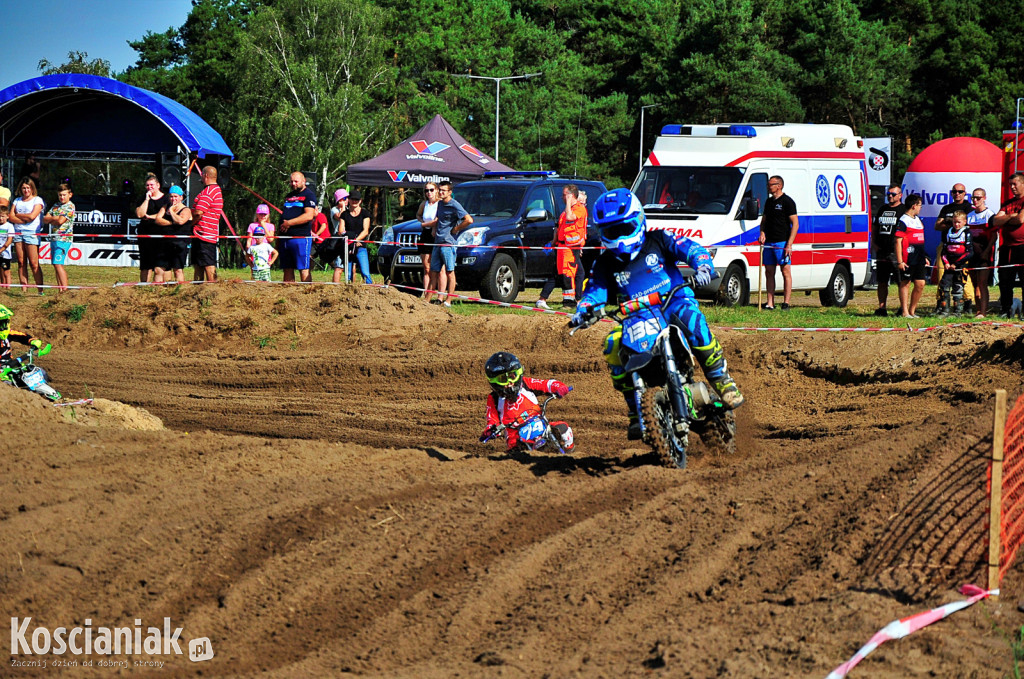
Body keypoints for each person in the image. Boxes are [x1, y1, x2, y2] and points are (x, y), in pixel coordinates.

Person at [569, 189, 743, 441]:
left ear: (638, 221)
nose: (618, 238)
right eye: (611, 232)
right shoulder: (604, 263)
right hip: (636, 316)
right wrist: (585, 310)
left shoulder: (659, 240)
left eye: (623, 228)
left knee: (693, 322)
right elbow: (595, 290)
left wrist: (703, 264)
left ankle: (721, 379)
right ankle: (635, 409)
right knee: (612, 345)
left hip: (674, 301)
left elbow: (689, 248)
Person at [479, 352, 574, 454]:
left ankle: (569, 454)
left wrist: (560, 387)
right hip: (516, 439)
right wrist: (491, 430)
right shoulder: (494, 398)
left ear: (518, 373)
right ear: (494, 382)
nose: (510, 382)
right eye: (503, 379)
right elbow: (491, 419)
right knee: (513, 458)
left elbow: (547, 384)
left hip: (542, 429)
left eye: (512, 376)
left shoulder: (525, 384)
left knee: (564, 430)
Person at [538, 184, 588, 309]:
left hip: (571, 248)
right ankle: (571, 301)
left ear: (571, 196)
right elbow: (559, 229)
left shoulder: (579, 209)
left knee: (568, 274)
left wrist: (569, 203)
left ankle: (569, 303)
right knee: (563, 273)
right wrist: (553, 243)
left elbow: (571, 218)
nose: (562, 197)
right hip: (561, 247)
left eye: (565, 195)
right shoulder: (564, 213)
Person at [757, 175, 799, 310]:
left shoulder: (787, 202)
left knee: (785, 271)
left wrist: (789, 244)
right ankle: (770, 302)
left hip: (782, 242)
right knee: (769, 272)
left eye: (771, 184)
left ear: (779, 185)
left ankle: (786, 303)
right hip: (769, 242)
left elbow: (795, 224)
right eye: (768, 185)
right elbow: (763, 221)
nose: (769, 187)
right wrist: (762, 233)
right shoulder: (769, 202)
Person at [933, 183, 976, 312]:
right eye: (954, 191)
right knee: (942, 274)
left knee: (963, 276)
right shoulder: (946, 208)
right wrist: (952, 224)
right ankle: (942, 304)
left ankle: (967, 303)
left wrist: (950, 223)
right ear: (951, 193)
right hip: (946, 246)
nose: (957, 194)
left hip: (962, 248)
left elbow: (969, 226)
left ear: (965, 193)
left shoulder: (969, 208)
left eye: (960, 191)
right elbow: (937, 226)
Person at [431, 181, 473, 307]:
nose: (441, 192)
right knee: (434, 271)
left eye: (444, 190)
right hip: (438, 242)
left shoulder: (454, 205)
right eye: (440, 189)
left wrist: (456, 229)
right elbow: (439, 219)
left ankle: (449, 300)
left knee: (450, 271)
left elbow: (469, 220)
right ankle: (430, 300)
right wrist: (434, 229)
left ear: (450, 192)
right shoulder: (439, 204)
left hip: (448, 243)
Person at [992, 172, 1024, 317]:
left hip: (1022, 247)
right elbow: (995, 221)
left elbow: (1020, 220)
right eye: (1010, 184)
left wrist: (1007, 218)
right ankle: (1006, 309)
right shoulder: (1007, 203)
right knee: (1005, 281)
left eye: (1014, 184)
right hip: (1007, 248)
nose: (1012, 187)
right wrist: (1011, 216)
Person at [7, 178, 45, 293]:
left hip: (31, 233)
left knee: (34, 263)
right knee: (21, 262)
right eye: (24, 188)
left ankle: (40, 290)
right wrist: (23, 219)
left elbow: (32, 216)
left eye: (28, 187)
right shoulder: (17, 200)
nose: (26, 190)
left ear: (32, 189)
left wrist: (19, 215)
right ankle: (24, 289)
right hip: (18, 233)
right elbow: (11, 216)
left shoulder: (37, 200)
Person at [872, 185, 905, 316]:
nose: (890, 196)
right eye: (888, 194)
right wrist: (874, 243)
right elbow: (875, 227)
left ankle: (903, 308)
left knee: (900, 281)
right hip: (882, 250)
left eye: (893, 194)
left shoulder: (903, 210)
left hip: (896, 251)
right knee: (882, 281)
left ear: (900, 195)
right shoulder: (882, 209)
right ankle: (882, 308)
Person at [279, 171, 317, 282]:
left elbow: (309, 215)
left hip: (300, 238)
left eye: (296, 181)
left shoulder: (308, 195)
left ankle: (306, 294)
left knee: (303, 268)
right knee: (287, 268)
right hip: (285, 238)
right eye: (291, 181)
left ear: (303, 181)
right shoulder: (288, 196)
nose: (293, 184)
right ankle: (288, 294)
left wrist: (289, 223)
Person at [895, 194, 927, 318]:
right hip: (907, 258)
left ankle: (912, 311)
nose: (920, 208)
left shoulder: (917, 219)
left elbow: (920, 240)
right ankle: (904, 311)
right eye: (919, 205)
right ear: (914, 206)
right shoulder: (903, 220)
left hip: (919, 258)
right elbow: (898, 241)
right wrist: (900, 261)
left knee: (920, 283)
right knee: (906, 283)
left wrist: (924, 256)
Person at [967, 187, 996, 317]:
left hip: (984, 254)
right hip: (973, 254)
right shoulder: (969, 216)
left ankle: (983, 312)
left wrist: (987, 251)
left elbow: (994, 236)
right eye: (973, 197)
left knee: (982, 283)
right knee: (975, 284)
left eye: (978, 197)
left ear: (984, 198)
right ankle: (978, 310)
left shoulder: (989, 214)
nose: (975, 200)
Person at [135, 173, 168, 283]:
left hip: (160, 234)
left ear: (158, 185)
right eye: (147, 185)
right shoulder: (143, 198)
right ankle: (144, 287)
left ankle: (158, 287)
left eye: (152, 185)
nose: (150, 187)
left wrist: (150, 217)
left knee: (159, 266)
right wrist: (147, 200)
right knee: (145, 265)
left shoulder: (166, 198)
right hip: (145, 234)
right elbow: (140, 214)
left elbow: (164, 214)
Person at [937, 211, 972, 316]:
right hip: (949, 264)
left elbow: (970, 252)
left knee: (958, 287)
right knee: (944, 286)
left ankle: (958, 311)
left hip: (960, 265)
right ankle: (945, 310)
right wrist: (946, 263)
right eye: (954, 222)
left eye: (959, 222)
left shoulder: (967, 233)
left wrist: (957, 264)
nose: (956, 225)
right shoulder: (948, 232)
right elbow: (944, 251)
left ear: (965, 222)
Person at [154, 185, 191, 284]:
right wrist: (170, 223)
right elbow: (158, 219)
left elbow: (180, 221)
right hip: (165, 243)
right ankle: (156, 292)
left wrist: (171, 211)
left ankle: (180, 291)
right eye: (171, 196)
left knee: (177, 270)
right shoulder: (165, 206)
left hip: (179, 243)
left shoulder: (186, 210)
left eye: (175, 196)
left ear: (181, 197)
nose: (173, 199)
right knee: (159, 269)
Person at [41, 183, 75, 291]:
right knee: (56, 265)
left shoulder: (70, 206)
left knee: (58, 263)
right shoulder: (56, 205)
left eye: (64, 195)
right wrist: (54, 219)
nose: (62, 197)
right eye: (60, 195)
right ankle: (60, 290)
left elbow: (61, 221)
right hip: (54, 238)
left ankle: (65, 290)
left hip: (64, 239)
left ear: (70, 194)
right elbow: (45, 219)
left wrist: (53, 218)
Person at [191, 166, 223, 282]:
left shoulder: (209, 191)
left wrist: (190, 224)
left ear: (205, 176)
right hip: (201, 233)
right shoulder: (214, 190)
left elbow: (198, 213)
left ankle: (212, 288)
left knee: (208, 263)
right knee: (198, 264)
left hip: (205, 234)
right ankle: (198, 289)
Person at [342, 190, 372, 284]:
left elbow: (365, 230)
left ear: (360, 201)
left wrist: (355, 240)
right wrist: (351, 241)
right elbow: (341, 230)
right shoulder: (344, 214)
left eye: (356, 199)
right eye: (352, 199)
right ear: (349, 200)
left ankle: (371, 291)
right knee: (348, 274)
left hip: (360, 245)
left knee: (365, 272)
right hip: (348, 247)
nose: (354, 201)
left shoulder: (365, 213)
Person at [416, 183, 441, 300]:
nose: (429, 193)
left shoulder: (440, 204)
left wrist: (425, 224)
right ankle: (426, 295)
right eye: (427, 190)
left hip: (435, 234)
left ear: (436, 190)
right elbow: (418, 215)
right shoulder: (424, 204)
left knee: (438, 267)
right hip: (425, 234)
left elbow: (437, 220)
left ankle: (440, 295)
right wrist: (422, 222)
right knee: (426, 267)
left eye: (431, 190)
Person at [329, 189, 350, 284]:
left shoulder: (349, 210)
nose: (347, 200)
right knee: (339, 266)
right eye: (345, 198)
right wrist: (343, 207)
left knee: (351, 266)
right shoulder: (334, 210)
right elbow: (341, 217)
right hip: (338, 239)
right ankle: (335, 286)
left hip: (348, 238)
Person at [0, 207, 13, 288]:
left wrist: (2, 249)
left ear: (7, 216)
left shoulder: (9, 226)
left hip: (5, 254)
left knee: (6, 271)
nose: (1, 218)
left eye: (2, 216)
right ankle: (3, 286)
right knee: (0, 270)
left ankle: (8, 287)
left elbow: (9, 240)